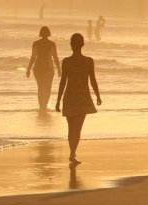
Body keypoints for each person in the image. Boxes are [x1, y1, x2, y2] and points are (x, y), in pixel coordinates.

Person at [55, 33, 102, 164]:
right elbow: (93, 80)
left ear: (71, 45)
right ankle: (72, 154)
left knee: (71, 128)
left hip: (69, 97)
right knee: (78, 128)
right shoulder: (88, 61)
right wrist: (98, 95)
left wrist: (58, 100)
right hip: (83, 97)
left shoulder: (66, 62)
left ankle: (72, 153)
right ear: (82, 45)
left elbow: (63, 82)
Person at [26, 26, 61, 111]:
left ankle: (41, 106)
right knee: (47, 89)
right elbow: (55, 58)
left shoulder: (36, 43)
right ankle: (44, 106)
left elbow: (33, 57)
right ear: (49, 33)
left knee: (40, 88)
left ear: (40, 33)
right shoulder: (52, 44)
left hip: (38, 69)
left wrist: (28, 69)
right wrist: (59, 69)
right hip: (49, 69)